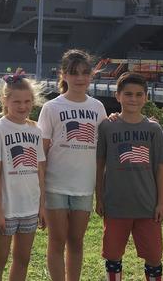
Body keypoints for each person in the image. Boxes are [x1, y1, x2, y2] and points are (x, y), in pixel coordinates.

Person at [37, 50, 108, 281]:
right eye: (73, 73)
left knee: (76, 242)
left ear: (91, 76)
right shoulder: (52, 108)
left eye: (85, 73)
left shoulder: (97, 107)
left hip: (83, 187)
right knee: (57, 241)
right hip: (55, 185)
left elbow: (103, 152)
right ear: (63, 75)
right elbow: (41, 153)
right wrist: (40, 195)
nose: (79, 78)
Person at [96, 72, 163, 281]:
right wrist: (99, 198)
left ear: (146, 97)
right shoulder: (107, 127)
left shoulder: (153, 129)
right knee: (112, 254)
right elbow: (100, 164)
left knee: (154, 256)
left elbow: (160, 168)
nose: (133, 99)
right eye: (128, 94)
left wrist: (161, 203)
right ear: (117, 96)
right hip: (115, 204)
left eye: (139, 94)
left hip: (147, 205)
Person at [0, 69, 46, 281]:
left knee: (23, 258)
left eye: (27, 101)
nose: (23, 107)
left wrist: (42, 206)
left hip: (29, 206)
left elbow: (40, 170)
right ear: (5, 100)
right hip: (7, 208)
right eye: (17, 102)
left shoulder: (36, 130)